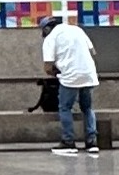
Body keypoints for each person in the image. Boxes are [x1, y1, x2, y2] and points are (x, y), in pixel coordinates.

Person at [41, 16, 100, 155]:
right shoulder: (77, 30)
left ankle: (68, 142)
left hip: (70, 76)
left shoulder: (51, 38)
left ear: (47, 28)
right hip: (88, 74)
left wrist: (57, 71)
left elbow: (48, 67)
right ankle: (92, 142)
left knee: (65, 107)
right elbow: (93, 52)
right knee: (87, 108)